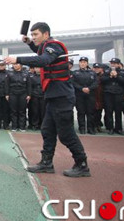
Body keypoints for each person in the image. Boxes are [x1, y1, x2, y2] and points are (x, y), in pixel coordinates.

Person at [5, 22, 90, 177]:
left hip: (62, 96)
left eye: (35, 34)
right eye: (32, 35)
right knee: (47, 130)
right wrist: (29, 43)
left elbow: (43, 60)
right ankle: (46, 163)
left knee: (66, 133)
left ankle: (82, 164)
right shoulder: (46, 47)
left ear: (46, 34)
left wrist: (17, 58)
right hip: (53, 96)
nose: (33, 37)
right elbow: (40, 53)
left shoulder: (54, 45)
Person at [72, 57, 98, 134]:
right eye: (81, 62)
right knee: (81, 112)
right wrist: (82, 88)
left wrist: (89, 88)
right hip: (79, 95)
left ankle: (90, 128)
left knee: (90, 112)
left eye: (84, 62)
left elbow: (96, 83)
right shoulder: (75, 73)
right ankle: (82, 128)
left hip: (90, 95)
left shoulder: (92, 73)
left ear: (87, 63)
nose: (82, 63)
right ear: (79, 63)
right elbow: (73, 83)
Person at [101, 58, 124, 134]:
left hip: (118, 93)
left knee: (118, 112)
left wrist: (116, 76)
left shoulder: (122, 72)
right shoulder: (107, 71)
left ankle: (118, 128)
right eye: (112, 63)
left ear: (118, 64)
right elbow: (102, 80)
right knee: (109, 111)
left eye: (115, 63)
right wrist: (110, 77)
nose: (113, 64)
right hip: (108, 93)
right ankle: (110, 128)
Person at [6, 62, 31, 132]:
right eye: (14, 64)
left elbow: (29, 85)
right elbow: (7, 85)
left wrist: (29, 95)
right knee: (13, 110)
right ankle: (14, 126)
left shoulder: (26, 73)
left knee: (22, 110)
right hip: (12, 93)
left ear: (21, 65)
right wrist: (7, 94)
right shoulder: (10, 74)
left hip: (23, 94)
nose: (15, 65)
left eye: (17, 64)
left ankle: (22, 126)